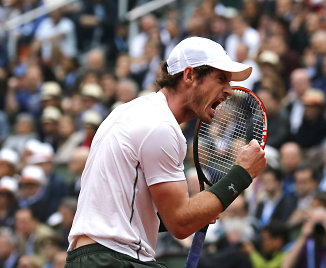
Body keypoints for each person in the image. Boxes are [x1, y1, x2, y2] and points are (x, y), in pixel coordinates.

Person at [66, 37, 266, 267]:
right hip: (114, 259)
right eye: (221, 79)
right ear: (189, 76)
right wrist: (242, 173)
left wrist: (202, 209)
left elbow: (129, 208)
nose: (229, 91)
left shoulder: (132, 112)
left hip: (88, 258)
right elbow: (180, 224)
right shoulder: (160, 127)